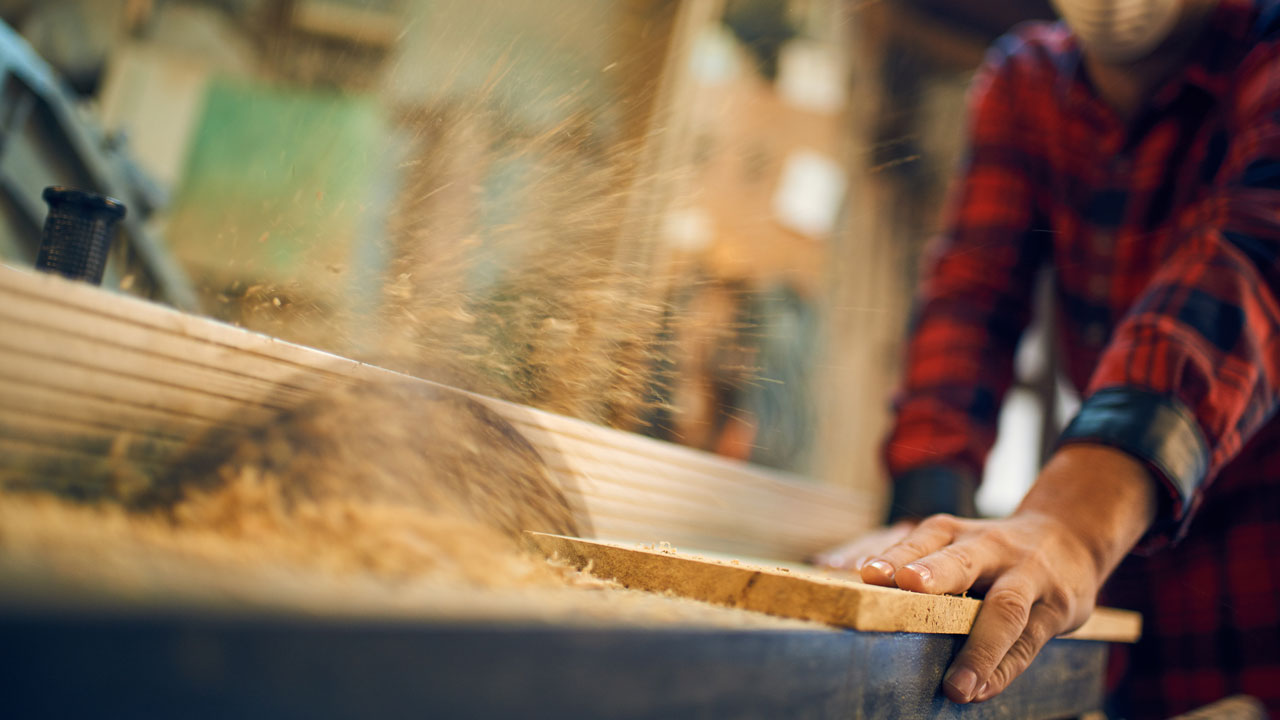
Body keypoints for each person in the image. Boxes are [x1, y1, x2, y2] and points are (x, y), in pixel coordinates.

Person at [818, 0, 1280, 716]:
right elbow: (971, 305)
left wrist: (1071, 522)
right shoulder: (1026, 81)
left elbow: (1250, 261)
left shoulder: (1266, 50)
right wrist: (925, 529)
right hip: (1138, 594)